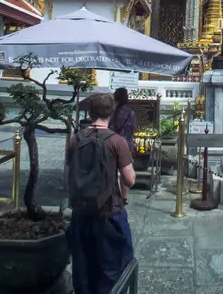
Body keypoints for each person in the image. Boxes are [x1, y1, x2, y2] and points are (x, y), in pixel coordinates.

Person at [67, 92, 136, 294]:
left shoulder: (75, 139)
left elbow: (68, 175)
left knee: (83, 268)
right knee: (112, 268)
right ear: (111, 112)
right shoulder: (117, 141)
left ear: (89, 111)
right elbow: (129, 179)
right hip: (108, 213)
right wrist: (123, 196)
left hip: (80, 213)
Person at [109, 88, 137, 204]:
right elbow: (134, 128)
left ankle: (113, 194)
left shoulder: (113, 113)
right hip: (127, 143)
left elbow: (110, 127)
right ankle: (124, 197)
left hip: (113, 142)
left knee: (112, 170)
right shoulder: (131, 113)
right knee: (125, 170)